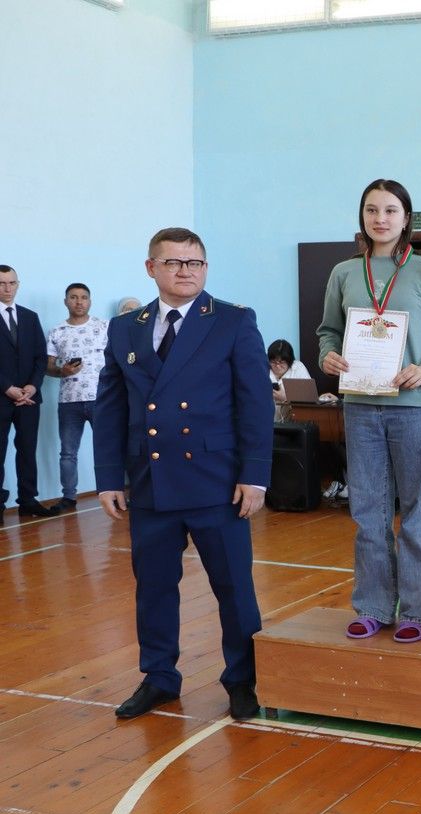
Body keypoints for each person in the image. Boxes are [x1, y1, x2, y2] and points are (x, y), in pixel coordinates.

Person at [93, 227, 274, 720]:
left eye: (194, 263)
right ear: (151, 268)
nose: (186, 271)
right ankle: (158, 677)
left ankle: (243, 680)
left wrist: (255, 475)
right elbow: (110, 407)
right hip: (149, 483)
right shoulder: (125, 327)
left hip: (217, 481)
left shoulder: (233, 321)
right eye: (174, 263)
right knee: (152, 586)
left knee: (234, 589)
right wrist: (108, 476)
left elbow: (255, 404)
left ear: (205, 268)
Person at [318, 178, 421, 643]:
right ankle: (374, 606)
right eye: (371, 210)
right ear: (361, 217)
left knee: (418, 513)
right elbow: (327, 332)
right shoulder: (343, 272)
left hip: (415, 408)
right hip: (360, 407)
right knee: (368, 513)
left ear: (406, 218)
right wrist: (327, 355)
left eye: (390, 210)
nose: (380, 218)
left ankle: (417, 611)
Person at [46, 282, 110, 512]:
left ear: (90, 301)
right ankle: (69, 497)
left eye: (84, 297)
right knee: (67, 452)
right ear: (66, 301)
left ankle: (114, 491)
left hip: (101, 398)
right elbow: (48, 367)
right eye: (73, 297)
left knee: (108, 447)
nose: (79, 302)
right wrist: (62, 371)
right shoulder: (57, 331)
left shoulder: (104, 326)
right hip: (69, 400)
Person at [0, 264, 55, 520]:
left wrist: (32, 386)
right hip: (2, 397)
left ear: (18, 284)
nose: (7, 288)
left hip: (29, 398)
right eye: (2, 283)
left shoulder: (30, 317)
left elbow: (40, 357)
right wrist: (7, 388)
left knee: (27, 449)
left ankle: (28, 500)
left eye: (12, 283)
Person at [267, 338, 312, 419]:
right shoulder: (263, 369)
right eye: (273, 362)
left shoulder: (298, 367)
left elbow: (310, 399)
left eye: (281, 362)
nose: (277, 366)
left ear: (289, 361)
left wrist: (285, 398)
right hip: (268, 421)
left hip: (294, 422)